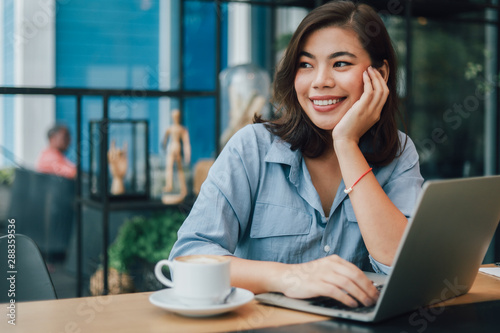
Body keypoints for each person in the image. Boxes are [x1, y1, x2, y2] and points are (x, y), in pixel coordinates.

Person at [169, 0, 424, 308]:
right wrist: (290, 277)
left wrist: (346, 144)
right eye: (306, 64)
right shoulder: (252, 147)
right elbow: (188, 258)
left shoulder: (399, 153)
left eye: (340, 63)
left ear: (379, 74)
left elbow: (402, 265)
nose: (320, 81)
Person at [161, 109, 191, 201]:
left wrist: (187, 155)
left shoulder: (181, 129)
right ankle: (169, 185)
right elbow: (164, 140)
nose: (175, 118)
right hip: (172, 147)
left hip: (176, 147)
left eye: (177, 116)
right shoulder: (170, 129)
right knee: (169, 167)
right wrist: (164, 147)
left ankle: (183, 189)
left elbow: (186, 143)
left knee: (179, 169)